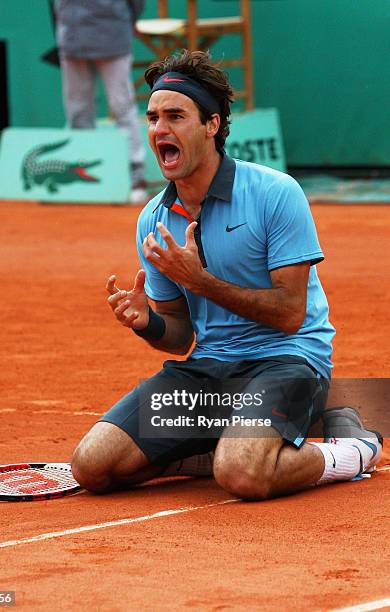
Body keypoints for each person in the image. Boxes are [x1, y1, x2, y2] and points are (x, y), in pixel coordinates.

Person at [71, 50, 382, 499]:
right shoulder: (154, 219)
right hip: (210, 377)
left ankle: (355, 449)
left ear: (211, 125)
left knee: (241, 476)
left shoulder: (276, 193)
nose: (160, 129)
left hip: (289, 363)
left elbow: (291, 313)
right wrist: (148, 323)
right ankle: (223, 444)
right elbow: (179, 338)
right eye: (153, 117)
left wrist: (200, 281)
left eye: (175, 116)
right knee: (92, 466)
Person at [54, 0, 148, 203]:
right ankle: (80, 174)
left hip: (112, 38)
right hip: (72, 40)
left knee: (122, 107)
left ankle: (135, 176)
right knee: (78, 112)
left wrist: (127, 21)